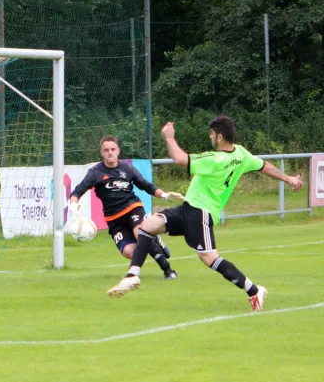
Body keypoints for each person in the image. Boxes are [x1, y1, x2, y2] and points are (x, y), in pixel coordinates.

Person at [106, 116, 303, 311]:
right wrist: (289, 179)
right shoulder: (241, 154)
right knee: (147, 227)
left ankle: (253, 291)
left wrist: (169, 137)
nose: (210, 138)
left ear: (219, 136)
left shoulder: (213, 159)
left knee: (210, 258)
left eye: (211, 134)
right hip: (188, 208)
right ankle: (132, 276)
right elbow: (264, 166)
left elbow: (180, 159)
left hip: (200, 214)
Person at [69, 135, 184, 280]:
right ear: (101, 153)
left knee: (141, 234)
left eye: (112, 149)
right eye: (106, 150)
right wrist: (73, 204)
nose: (110, 152)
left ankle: (168, 271)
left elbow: (145, 185)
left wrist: (164, 195)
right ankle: (154, 239)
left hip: (132, 208)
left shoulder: (127, 169)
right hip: (113, 219)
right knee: (130, 252)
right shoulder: (95, 172)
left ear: (118, 151)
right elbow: (78, 190)